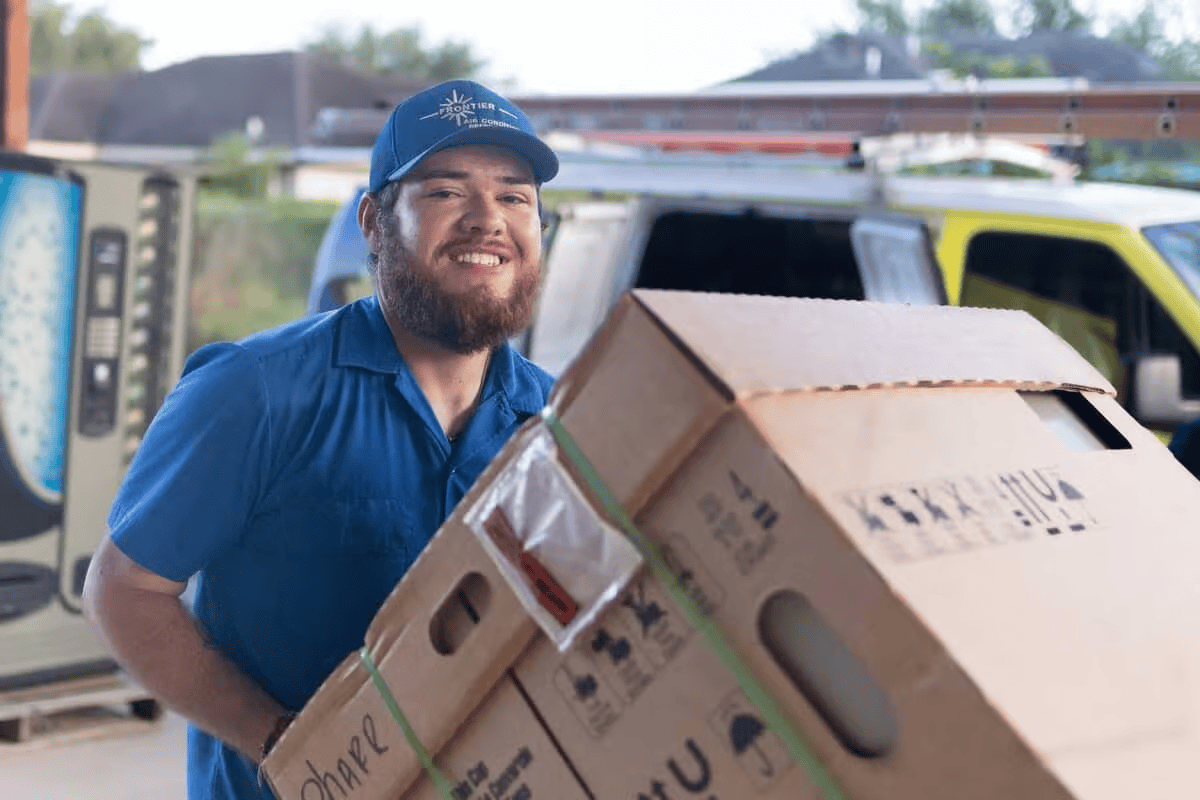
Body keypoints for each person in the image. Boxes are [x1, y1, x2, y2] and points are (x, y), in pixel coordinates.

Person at [82, 79, 559, 800]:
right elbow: (124, 592)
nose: (487, 219)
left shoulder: (557, 421)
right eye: (445, 192)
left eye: (515, 196)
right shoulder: (257, 390)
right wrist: (288, 745)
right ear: (373, 222)